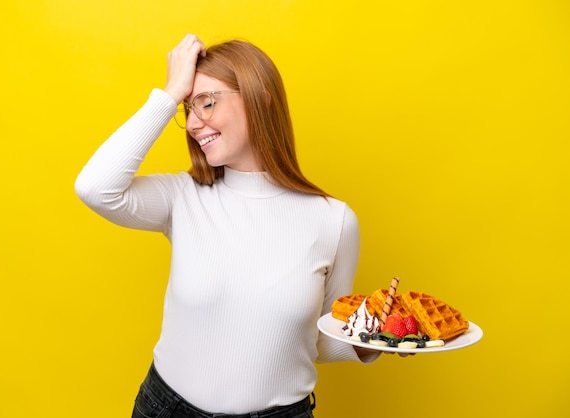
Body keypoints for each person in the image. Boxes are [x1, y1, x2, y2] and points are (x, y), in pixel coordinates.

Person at [75, 33, 381, 418]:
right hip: (167, 409)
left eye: (207, 102)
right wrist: (170, 93)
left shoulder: (333, 220)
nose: (193, 124)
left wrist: (375, 341)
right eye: (189, 108)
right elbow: (95, 188)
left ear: (260, 98)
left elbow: (318, 341)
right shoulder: (182, 197)